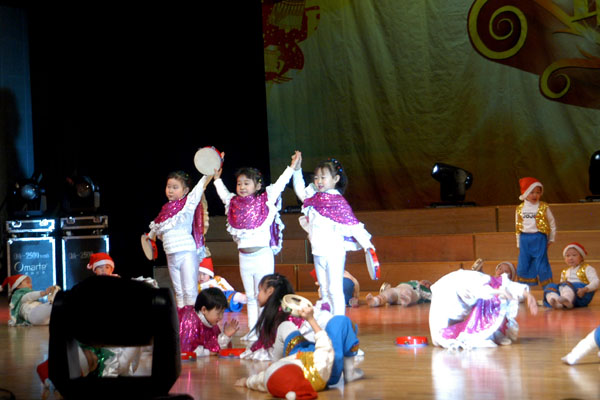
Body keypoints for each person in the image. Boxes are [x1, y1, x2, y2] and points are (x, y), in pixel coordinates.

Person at [213, 151, 301, 341]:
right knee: (251, 297)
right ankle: (253, 331)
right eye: (239, 183)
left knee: (264, 296)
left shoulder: (265, 200)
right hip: (244, 257)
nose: (242, 187)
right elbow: (223, 194)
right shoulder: (233, 203)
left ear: (258, 185)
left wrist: (292, 167)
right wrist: (217, 179)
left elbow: (280, 184)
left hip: (262, 256)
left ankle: (265, 331)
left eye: (247, 183)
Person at [293, 154, 375, 315]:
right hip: (318, 253)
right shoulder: (313, 198)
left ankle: (339, 319)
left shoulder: (339, 203)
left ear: (336, 179)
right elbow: (299, 190)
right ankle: (326, 319)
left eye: (323, 177)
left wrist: (368, 246)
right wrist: (297, 170)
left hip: (334, 253)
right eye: (316, 177)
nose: (319, 181)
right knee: (324, 289)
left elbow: (354, 226)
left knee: (334, 289)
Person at [146, 169, 212, 358]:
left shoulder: (188, 205)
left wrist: (210, 169)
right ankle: (183, 333)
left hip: (186, 254)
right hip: (171, 257)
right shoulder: (164, 211)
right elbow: (154, 232)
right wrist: (148, 238)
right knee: (180, 295)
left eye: (175, 187)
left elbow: (200, 187)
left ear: (185, 191)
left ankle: (195, 335)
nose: (170, 190)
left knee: (190, 294)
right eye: (169, 186)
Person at [235, 303, 363, 397]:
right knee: (339, 322)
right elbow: (324, 345)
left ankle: (279, 359)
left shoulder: (273, 377)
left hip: (300, 353)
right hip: (328, 364)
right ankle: (349, 372)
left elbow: (259, 380)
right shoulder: (318, 371)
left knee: (286, 326)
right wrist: (310, 319)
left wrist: (246, 382)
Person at [428, 269, 538, 350]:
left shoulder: (490, 281)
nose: (502, 271)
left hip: (459, 298)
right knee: (439, 338)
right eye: (500, 268)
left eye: (506, 270)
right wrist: (498, 291)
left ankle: (489, 333)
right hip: (446, 294)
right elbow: (478, 290)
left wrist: (528, 295)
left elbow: (509, 286)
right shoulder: (474, 282)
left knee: (448, 336)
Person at [239, 273, 302, 361]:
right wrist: (251, 350)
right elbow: (264, 341)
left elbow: (275, 348)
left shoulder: (281, 314)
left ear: (270, 291)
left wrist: (254, 353)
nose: (257, 296)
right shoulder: (276, 311)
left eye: (259, 290)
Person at [515, 177, 556, 288]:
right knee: (523, 263)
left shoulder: (543, 207)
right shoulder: (520, 209)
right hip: (524, 239)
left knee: (542, 263)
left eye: (538, 192)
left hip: (539, 237)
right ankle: (524, 287)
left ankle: (549, 287)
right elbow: (518, 227)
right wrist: (518, 243)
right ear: (525, 193)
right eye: (532, 192)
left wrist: (551, 238)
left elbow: (552, 223)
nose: (535, 195)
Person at [544, 242, 599, 309]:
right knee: (550, 286)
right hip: (567, 290)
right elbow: (561, 287)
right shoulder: (564, 272)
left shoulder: (588, 268)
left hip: (581, 295)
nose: (570, 258)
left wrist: (585, 289)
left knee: (566, 284)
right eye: (567, 256)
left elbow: (596, 282)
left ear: (582, 257)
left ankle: (567, 300)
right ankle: (555, 301)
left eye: (574, 255)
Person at [191, 287, 240, 357]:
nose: (221, 317)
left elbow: (214, 345)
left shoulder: (210, 322)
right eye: (218, 313)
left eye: (222, 313)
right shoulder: (190, 323)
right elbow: (188, 350)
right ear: (204, 310)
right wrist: (208, 353)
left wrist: (226, 335)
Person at [366, 279, 432, 308]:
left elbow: (430, 297)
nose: (426, 284)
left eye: (428, 285)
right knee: (388, 293)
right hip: (397, 290)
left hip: (413, 292)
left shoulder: (424, 292)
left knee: (408, 292)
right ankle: (375, 300)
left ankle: (406, 298)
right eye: (425, 282)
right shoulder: (413, 282)